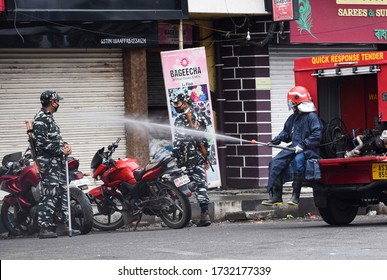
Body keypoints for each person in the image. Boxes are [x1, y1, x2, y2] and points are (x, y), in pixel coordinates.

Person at [262, 86, 323, 207]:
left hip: (310, 150)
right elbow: (286, 133)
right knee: (275, 162)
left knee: (298, 161)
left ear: (296, 102)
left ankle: (295, 197)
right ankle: (276, 197)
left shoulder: (312, 117)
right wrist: (276, 140)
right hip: (294, 147)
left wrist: (303, 145)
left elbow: (317, 134)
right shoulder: (293, 118)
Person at [33, 90, 80, 238]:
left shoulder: (50, 118)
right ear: (52, 102)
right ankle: (44, 228)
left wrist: (65, 146)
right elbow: (42, 144)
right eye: (57, 101)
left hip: (58, 163)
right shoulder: (40, 119)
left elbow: (55, 139)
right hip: (49, 164)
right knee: (49, 194)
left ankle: (62, 224)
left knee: (62, 193)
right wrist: (61, 151)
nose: (58, 103)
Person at [170, 87, 212, 227]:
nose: (175, 106)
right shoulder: (200, 116)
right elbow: (205, 139)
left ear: (185, 103)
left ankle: (182, 217)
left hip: (185, 160)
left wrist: (174, 157)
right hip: (198, 158)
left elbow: (178, 141)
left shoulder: (181, 119)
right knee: (201, 184)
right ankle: (204, 215)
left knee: (180, 185)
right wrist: (206, 157)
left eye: (177, 103)